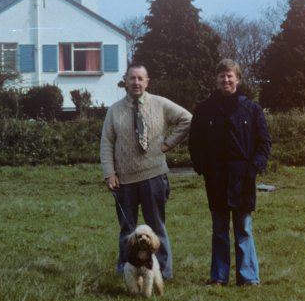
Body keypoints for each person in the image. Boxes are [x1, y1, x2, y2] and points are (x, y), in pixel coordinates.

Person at [100, 63, 192, 282]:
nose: (136, 82)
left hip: (154, 177)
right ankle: (126, 270)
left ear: (147, 82)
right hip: (125, 180)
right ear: (125, 81)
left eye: (141, 78)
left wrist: (168, 144)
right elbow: (106, 142)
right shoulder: (114, 110)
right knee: (127, 229)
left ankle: (163, 272)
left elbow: (187, 119)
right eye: (132, 78)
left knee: (157, 227)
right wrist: (109, 173)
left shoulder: (160, 103)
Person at [189, 59, 271, 287]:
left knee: (244, 228)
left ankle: (249, 277)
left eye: (230, 76)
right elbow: (195, 142)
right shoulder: (204, 109)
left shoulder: (252, 109)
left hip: (242, 177)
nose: (226, 80)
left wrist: (254, 168)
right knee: (219, 229)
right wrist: (202, 167)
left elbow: (264, 142)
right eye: (221, 76)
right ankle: (219, 276)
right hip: (215, 178)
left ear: (238, 79)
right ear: (216, 79)